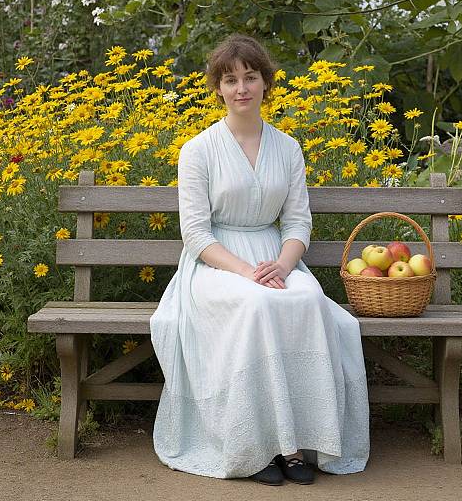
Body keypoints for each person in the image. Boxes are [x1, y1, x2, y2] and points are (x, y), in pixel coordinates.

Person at [150, 33, 370, 486]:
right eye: (230, 80)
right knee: (255, 304)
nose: (241, 88)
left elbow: (297, 223)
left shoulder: (288, 149)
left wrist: (285, 267)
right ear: (218, 88)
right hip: (215, 266)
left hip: (277, 259)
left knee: (307, 300)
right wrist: (246, 272)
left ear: (265, 82)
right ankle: (255, 447)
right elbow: (194, 233)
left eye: (250, 77)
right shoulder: (197, 150)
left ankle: (296, 445)